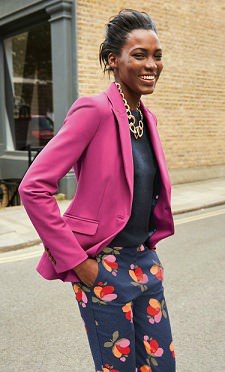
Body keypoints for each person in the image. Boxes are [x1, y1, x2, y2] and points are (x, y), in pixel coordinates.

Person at [18, 9, 176, 372]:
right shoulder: (94, 110)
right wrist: (78, 263)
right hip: (103, 266)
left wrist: (149, 250)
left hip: (144, 263)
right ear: (113, 60)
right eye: (139, 55)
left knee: (160, 364)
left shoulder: (146, 118)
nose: (151, 64)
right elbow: (34, 187)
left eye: (157, 55)